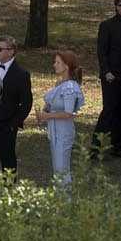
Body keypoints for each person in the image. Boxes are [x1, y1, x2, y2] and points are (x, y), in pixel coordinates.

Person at [92, 0, 121, 159]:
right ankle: (95, 148)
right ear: (117, 6)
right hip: (111, 75)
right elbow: (102, 51)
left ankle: (117, 146)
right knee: (109, 111)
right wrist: (106, 71)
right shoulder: (107, 25)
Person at [38, 49, 85, 188]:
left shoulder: (70, 86)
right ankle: (60, 199)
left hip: (63, 130)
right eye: (55, 62)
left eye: (58, 62)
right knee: (57, 167)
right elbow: (54, 105)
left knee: (61, 167)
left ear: (67, 66)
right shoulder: (60, 85)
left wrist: (48, 116)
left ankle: (66, 200)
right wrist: (46, 111)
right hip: (54, 128)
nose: (54, 65)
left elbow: (68, 113)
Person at [0, 37, 33, 172]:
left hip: (6, 124)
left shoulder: (21, 74)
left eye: (0, 49)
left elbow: (26, 103)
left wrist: (13, 124)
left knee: (7, 158)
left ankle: (9, 188)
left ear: (11, 52)